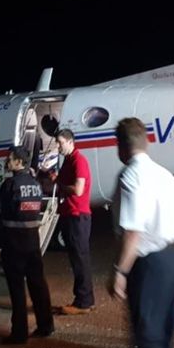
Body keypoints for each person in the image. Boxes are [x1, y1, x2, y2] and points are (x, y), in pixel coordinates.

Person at [107, 117, 174, 348]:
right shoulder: (167, 177)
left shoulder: (131, 176)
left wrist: (120, 272)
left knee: (147, 341)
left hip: (150, 264)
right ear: (147, 142)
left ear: (120, 146)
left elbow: (133, 232)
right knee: (162, 338)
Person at [0, 148, 55, 344]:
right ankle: (46, 325)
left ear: (19, 162)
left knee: (17, 289)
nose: (6, 161)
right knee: (38, 284)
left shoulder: (10, 185)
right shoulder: (35, 185)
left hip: (14, 244)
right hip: (32, 242)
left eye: (10, 159)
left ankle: (19, 333)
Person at [52, 129, 96, 315]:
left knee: (79, 258)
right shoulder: (69, 161)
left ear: (70, 142)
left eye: (60, 143)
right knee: (78, 258)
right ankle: (85, 299)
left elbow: (78, 190)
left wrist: (59, 184)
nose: (58, 146)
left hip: (77, 215)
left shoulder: (79, 161)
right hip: (71, 214)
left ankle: (83, 302)